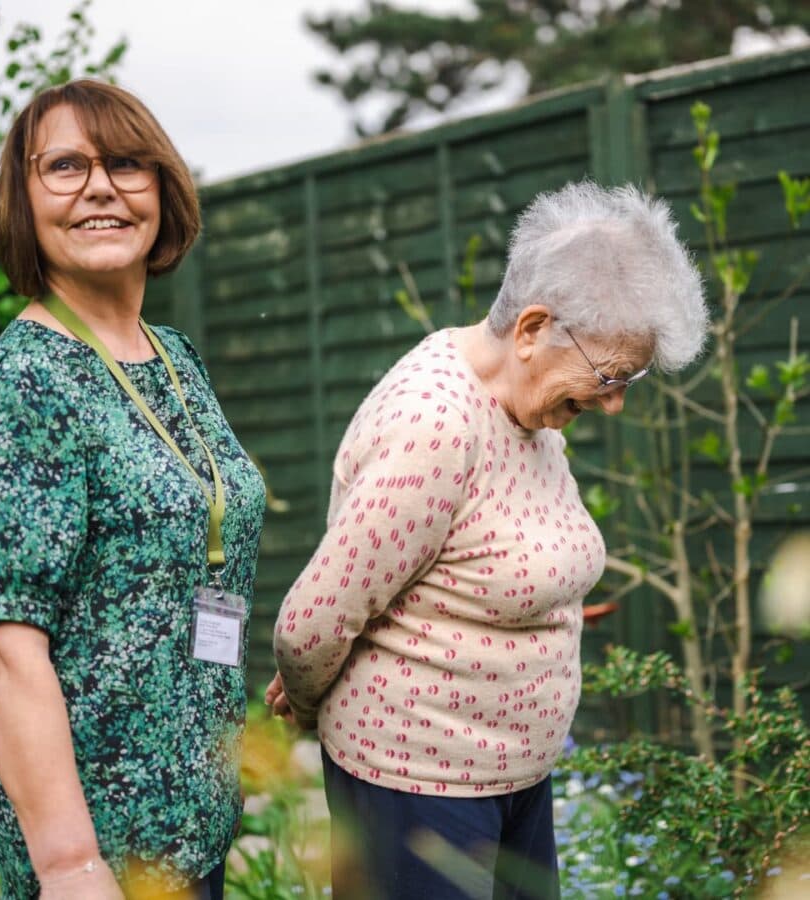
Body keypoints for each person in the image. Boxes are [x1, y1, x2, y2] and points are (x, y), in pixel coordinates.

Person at [266, 182, 708, 899]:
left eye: (633, 378)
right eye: (609, 375)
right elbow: (311, 623)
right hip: (418, 787)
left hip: (512, 779)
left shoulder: (527, 413)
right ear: (532, 328)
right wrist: (312, 709)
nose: (617, 402)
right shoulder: (435, 426)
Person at [0, 79, 266, 900]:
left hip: (194, 830)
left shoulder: (174, 358)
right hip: (101, 857)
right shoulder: (18, 388)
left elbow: (202, 555)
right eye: (66, 167)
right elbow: (7, 655)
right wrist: (70, 867)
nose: (101, 187)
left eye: (125, 163)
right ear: (24, 198)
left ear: (162, 189)